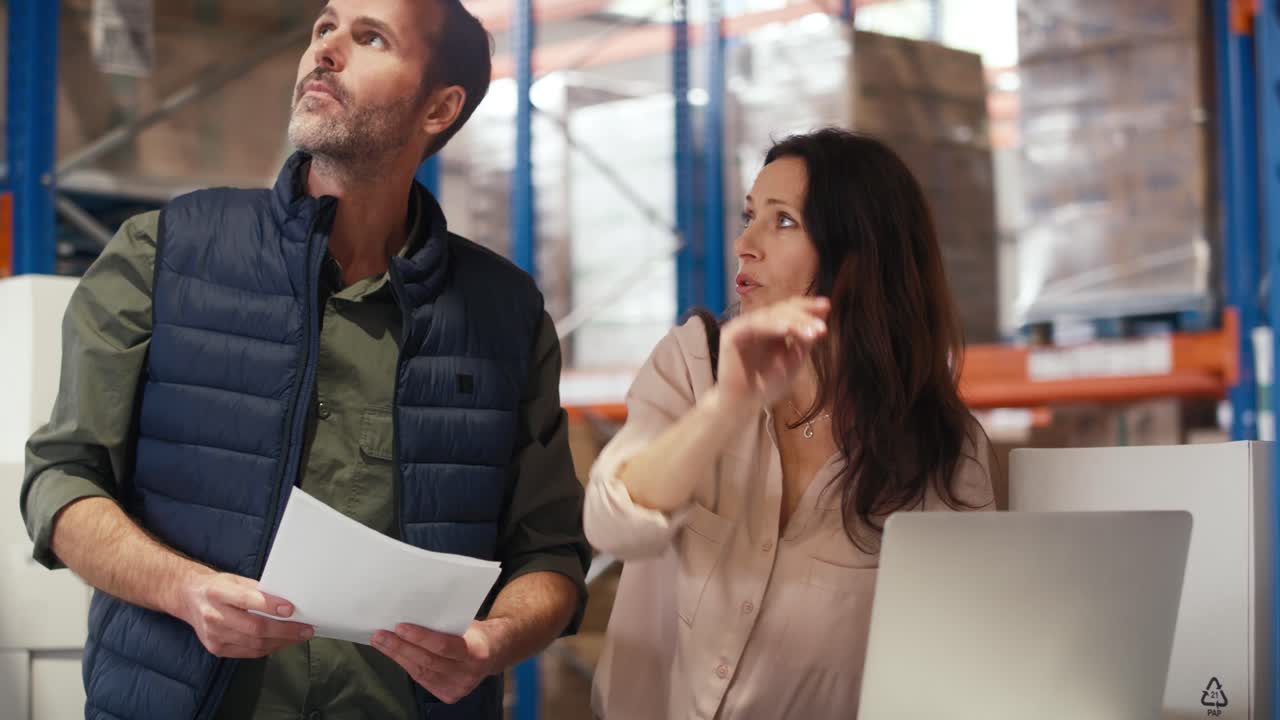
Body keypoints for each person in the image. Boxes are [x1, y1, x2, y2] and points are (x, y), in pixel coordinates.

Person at [19, 1, 590, 718]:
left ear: (439, 107)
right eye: (324, 27)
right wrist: (183, 591)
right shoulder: (162, 253)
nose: (326, 49)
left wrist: (494, 641)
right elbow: (62, 479)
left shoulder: (505, 314)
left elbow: (550, 553)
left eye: (370, 38)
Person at [583, 128, 995, 718]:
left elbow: (959, 665)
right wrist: (727, 407)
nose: (744, 245)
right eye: (749, 216)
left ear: (858, 256)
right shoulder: (695, 363)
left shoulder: (941, 450)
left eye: (782, 222)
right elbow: (611, 525)